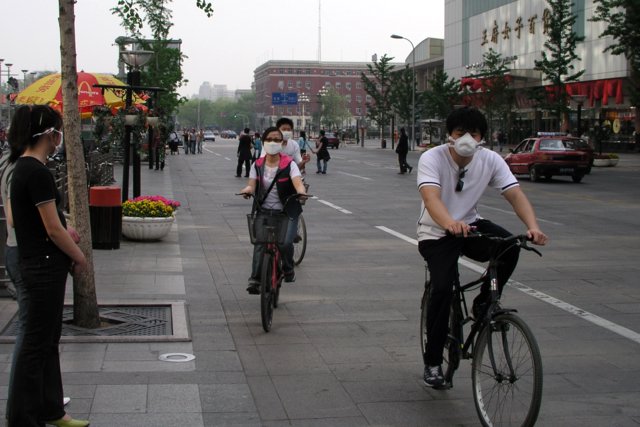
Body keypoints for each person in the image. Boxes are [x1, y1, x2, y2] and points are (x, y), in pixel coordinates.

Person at [416, 107, 547, 388]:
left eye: (473, 133)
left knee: (510, 246)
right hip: (436, 232)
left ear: (482, 137)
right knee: (442, 289)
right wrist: (450, 223)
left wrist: (532, 227)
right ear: (449, 135)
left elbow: (514, 194)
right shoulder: (432, 158)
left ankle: (484, 301)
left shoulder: (490, 159)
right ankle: (433, 362)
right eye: (459, 132)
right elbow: (430, 197)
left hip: (471, 225)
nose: (466, 139)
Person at [7, 105, 89, 427]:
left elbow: (27, 221)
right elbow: (53, 229)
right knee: (35, 345)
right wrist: (79, 257)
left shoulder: (22, 168)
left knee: (45, 341)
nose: (60, 139)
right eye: (57, 132)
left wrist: (59, 228)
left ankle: (51, 409)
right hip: (41, 268)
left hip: (35, 263)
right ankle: (25, 418)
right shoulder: (36, 172)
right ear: (48, 134)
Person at [239, 127, 307, 294]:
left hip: (287, 212)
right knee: (260, 244)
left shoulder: (289, 165)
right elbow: (251, 184)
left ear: (282, 143)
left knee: (285, 243)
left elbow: (298, 183)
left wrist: (301, 192)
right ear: (263, 142)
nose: (273, 142)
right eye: (269, 139)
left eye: (277, 140)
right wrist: (247, 190)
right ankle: (255, 279)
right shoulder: (257, 164)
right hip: (264, 211)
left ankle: (288, 269)